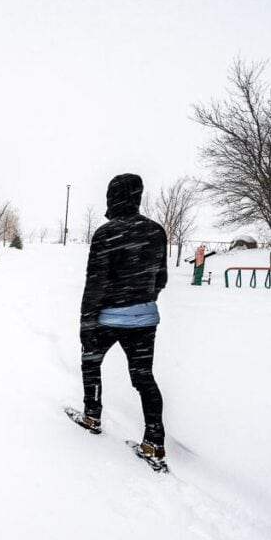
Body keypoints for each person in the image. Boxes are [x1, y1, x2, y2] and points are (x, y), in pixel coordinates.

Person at [76, 173, 169, 469]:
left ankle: (92, 415)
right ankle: (153, 442)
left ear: (112, 197)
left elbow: (95, 283)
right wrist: (142, 298)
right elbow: (161, 277)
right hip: (144, 319)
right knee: (143, 376)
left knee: (91, 361)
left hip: (107, 317)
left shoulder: (106, 233)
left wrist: (86, 322)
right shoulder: (156, 231)